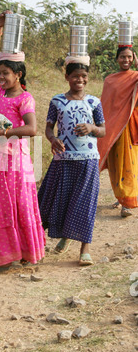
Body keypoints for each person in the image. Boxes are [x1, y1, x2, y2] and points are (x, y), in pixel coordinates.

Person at [0, 11, 45, 271]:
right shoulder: (0, 90)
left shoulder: (24, 99)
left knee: (18, 204)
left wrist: (4, 133)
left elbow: (32, 129)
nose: (0, 78)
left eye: (5, 74)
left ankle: (24, 252)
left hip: (16, 161)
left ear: (18, 75)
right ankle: (0, 254)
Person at [38, 56, 106, 266]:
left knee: (85, 203)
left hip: (88, 159)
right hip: (63, 158)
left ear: (88, 78)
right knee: (55, 199)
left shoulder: (94, 102)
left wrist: (92, 128)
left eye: (84, 76)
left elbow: (103, 130)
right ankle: (60, 237)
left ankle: (85, 248)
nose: (80, 79)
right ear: (67, 77)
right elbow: (49, 128)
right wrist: (52, 139)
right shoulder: (57, 101)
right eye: (75, 76)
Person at [98, 46, 138, 217]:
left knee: (129, 165)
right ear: (117, 59)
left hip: (129, 126)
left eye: (129, 57)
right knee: (115, 165)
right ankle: (120, 196)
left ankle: (127, 204)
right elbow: (105, 104)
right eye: (122, 57)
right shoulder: (110, 80)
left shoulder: (135, 77)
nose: (126, 60)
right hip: (113, 127)